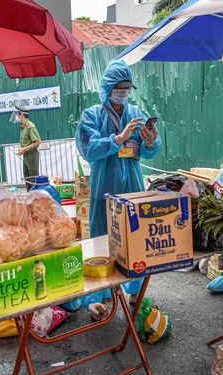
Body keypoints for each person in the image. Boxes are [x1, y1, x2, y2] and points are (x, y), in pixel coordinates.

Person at [74, 60, 160, 320]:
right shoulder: (92, 115)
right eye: (119, 87)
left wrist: (150, 140)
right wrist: (118, 139)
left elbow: (150, 152)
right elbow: (89, 148)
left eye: (127, 87)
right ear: (108, 87)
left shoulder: (136, 113)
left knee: (136, 241)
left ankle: (136, 291)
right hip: (104, 189)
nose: (123, 92)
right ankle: (97, 299)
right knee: (101, 242)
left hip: (133, 186)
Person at [15, 106, 41, 191]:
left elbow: (38, 141)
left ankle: (35, 198)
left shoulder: (30, 126)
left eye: (18, 115)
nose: (17, 116)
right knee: (27, 178)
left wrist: (24, 149)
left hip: (32, 155)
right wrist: (23, 149)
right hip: (26, 155)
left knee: (33, 178)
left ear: (22, 115)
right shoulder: (23, 126)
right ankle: (29, 197)